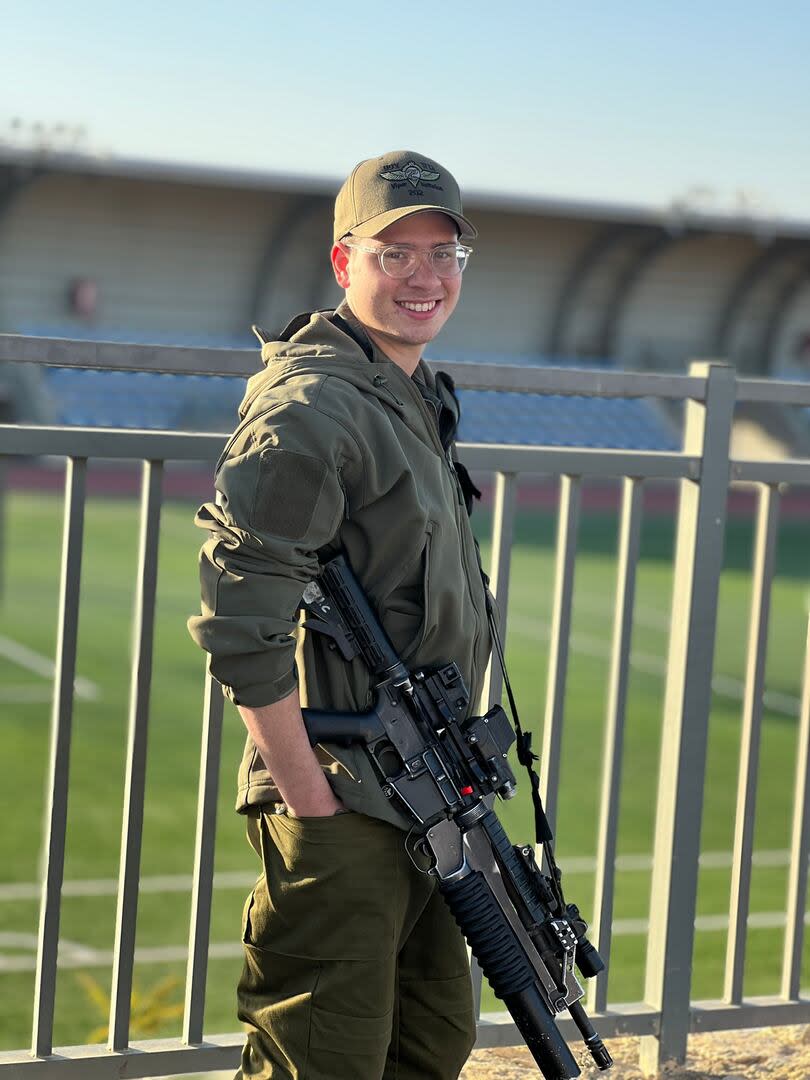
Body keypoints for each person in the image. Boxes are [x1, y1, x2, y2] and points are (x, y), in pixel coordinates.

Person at [188, 150, 493, 1080]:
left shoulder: (410, 393)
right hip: (344, 798)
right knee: (321, 1060)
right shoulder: (314, 406)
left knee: (429, 1039)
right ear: (342, 262)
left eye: (442, 252)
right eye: (394, 253)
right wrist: (308, 802)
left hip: (429, 784)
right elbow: (242, 618)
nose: (423, 277)